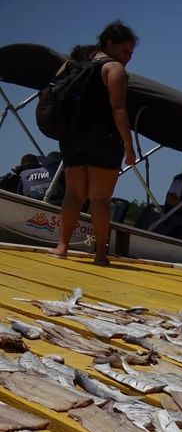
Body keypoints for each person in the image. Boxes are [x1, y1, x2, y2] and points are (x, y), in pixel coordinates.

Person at [49, 20, 138, 265]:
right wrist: (128, 144)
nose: (128, 57)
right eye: (124, 51)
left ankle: (62, 246)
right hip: (104, 140)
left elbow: (53, 90)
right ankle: (100, 253)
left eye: (130, 53)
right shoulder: (114, 69)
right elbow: (118, 109)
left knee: (73, 194)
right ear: (109, 43)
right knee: (100, 199)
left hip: (73, 137)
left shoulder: (75, 61)